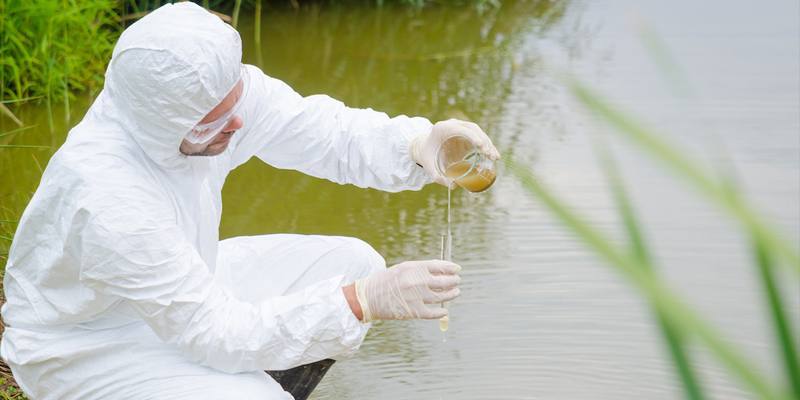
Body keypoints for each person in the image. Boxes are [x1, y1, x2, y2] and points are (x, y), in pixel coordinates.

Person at [0, 3, 500, 399]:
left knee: (353, 264)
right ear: (162, 126)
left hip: (178, 286)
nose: (236, 125)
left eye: (233, 102)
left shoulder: (212, 98)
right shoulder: (111, 198)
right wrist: (360, 302)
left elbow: (326, 132)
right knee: (346, 298)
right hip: (86, 344)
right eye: (213, 122)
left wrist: (417, 146)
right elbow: (214, 331)